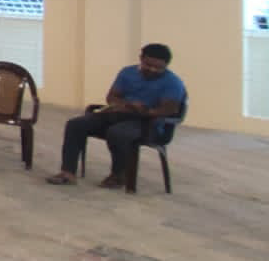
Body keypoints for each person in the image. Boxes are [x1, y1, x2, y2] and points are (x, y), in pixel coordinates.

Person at [46, 43, 186, 187]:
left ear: (166, 65)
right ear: (141, 58)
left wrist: (144, 111)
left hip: (147, 123)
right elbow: (112, 97)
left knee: (117, 133)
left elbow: (169, 110)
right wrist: (126, 106)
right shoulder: (127, 72)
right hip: (120, 114)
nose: (152, 70)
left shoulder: (172, 82)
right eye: (148, 65)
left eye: (158, 68)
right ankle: (68, 172)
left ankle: (118, 175)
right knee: (75, 124)